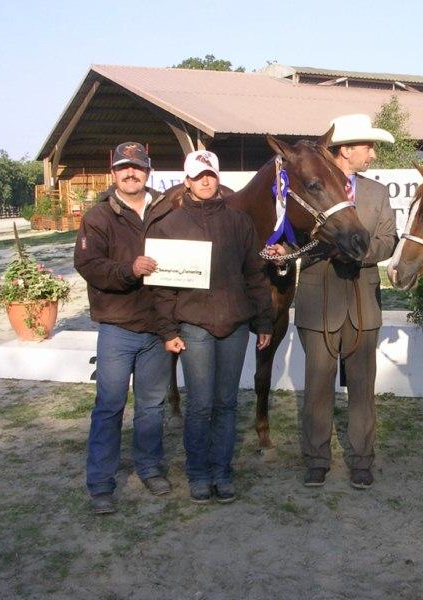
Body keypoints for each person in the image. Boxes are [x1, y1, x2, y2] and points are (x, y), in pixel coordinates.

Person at [269, 114, 397, 489]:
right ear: (345, 150)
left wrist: (356, 253)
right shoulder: (304, 188)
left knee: (362, 389)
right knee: (317, 387)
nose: (372, 154)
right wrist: (284, 251)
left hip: (363, 303)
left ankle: (362, 459)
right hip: (317, 299)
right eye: (367, 146)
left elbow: (388, 240)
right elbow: (291, 237)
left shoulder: (377, 193)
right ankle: (316, 458)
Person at [151, 150, 274, 504]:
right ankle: (198, 473)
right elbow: (162, 288)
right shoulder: (169, 226)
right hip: (194, 327)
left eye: (211, 175)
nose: (206, 181)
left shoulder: (239, 222)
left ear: (218, 178)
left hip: (234, 325)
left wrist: (263, 320)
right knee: (200, 405)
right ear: (187, 181)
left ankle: (222, 471)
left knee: (226, 404)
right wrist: (168, 331)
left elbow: (254, 275)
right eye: (199, 176)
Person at [74, 142, 174, 515]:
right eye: (123, 168)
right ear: (113, 173)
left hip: (157, 327)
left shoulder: (167, 209)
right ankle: (101, 483)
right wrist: (128, 270)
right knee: (109, 407)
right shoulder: (99, 216)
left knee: (151, 406)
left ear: (148, 171)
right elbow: (89, 264)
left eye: (137, 167)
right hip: (117, 327)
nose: (130, 173)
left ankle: (150, 468)